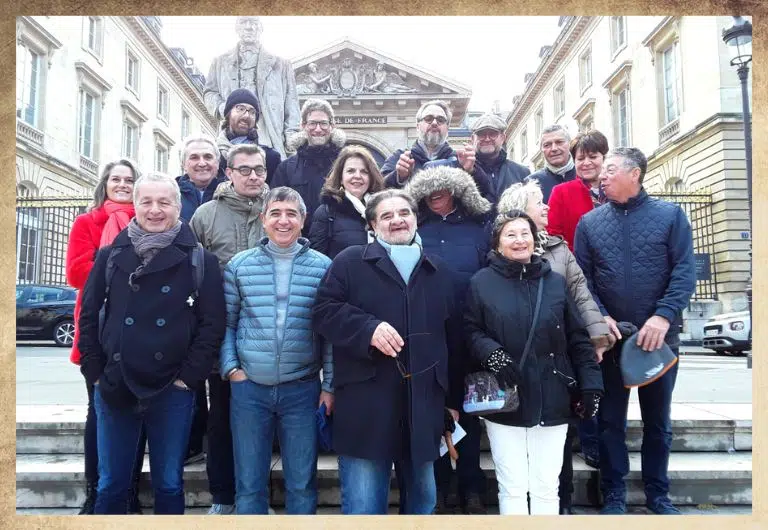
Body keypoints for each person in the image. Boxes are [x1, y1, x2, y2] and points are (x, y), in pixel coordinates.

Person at [77, 172, 226, 515]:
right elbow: (88, 315)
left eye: (164, 202)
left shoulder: (201, 260)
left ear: (178, 206)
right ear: (135, 205)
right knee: (111, 484)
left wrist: (188, 378)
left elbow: (212, 324)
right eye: (146, 201)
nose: (155, 210)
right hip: (116, 384)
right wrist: (96, 371)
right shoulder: (110, 255)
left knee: (170, 483)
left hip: (171, 388)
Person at [312, 189, 457, 515]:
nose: (397, 220)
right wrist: (368, 329)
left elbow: (453, 338)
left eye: (403, 213)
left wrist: (452, 400)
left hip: (423, 404)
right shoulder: (349, 262)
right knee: (364, 507)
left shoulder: (439, 270)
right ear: (373, 226)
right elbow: (323, 312)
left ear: (415, 219)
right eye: (387, 216)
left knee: (423, 503)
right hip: (366, 402)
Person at [574, 147, 696, 515]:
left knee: (657, 421)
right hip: (612, 342)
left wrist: (663, 316)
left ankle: (659, 494)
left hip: (659, 340)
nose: (602, 176)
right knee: (610, 422)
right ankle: (614, 494)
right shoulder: (589, 224)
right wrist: (601, 318)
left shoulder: (670, 216)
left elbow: (684, 273)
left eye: (610, 169)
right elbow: (582, 281)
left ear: (635, 174)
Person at [464, 210, 603, 515]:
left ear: (534, 239)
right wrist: (492, 353)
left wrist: (592, 385)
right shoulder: (481, 282)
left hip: (553, 395)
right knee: (512, 485)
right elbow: (470, 330)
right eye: (511, 234)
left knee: (546, 486)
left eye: (525, 233)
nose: (519, 240)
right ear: (498, 244)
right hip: (506, 397)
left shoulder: (554, 282)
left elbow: (578, 338)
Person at [497, 179, 615, 513]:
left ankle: (559, 504)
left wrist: (596, 336)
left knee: (556, 444)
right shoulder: (498, 253)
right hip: (517, 365)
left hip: (557, 360)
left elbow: (580, 294)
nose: (547, 207)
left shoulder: (559, 249)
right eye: (539, 202)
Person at [220, 187, 333, 515]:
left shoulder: (323, 267)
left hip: (302, 388)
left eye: (291, 214)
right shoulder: (239, 266)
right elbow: (227, 323)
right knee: (249, 483)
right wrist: (232, 370)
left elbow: (329, 335)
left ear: (303, 220)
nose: (283, 221)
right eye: (276, 213)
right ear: (263, 219)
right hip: (249, 389)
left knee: (301, 481)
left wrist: (329, 386)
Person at [404, 166, 491, 514]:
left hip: (468, 331)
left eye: (443, 188)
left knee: (468, 411)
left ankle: (471, 486)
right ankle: (438, 487)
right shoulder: (416, 229)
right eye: (429, 190)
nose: (436, 194)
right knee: (431, 410)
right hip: (427, 332)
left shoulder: (476, 228)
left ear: (456, 190)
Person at [188, 144, 270, 515]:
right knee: (221, 418)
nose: (253, 176)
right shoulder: (206, 215)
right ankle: (222, 496)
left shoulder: (278, 210)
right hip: (222, 333)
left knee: (262, 422)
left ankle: (256, 497)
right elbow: (191, 276)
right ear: (229, 173)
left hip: (270, 335)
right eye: (245, 169)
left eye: (259, 169)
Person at [65, 160, 146, 515]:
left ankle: (128, 490)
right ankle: (95, 490)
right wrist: (113, 260)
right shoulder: (88, 221)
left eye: (130, 180)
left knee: (139, 412)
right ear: (105, 183)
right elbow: (75, 272)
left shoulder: (146, 220)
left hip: (140, 328)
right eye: (117, 179)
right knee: (97, 413)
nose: (123, 184)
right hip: (99, 327)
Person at [203, 16, 300, 158]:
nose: (249, 27)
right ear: (237, 27)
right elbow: (209, 92)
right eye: (244, 22)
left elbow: (292, 107)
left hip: (269, 139)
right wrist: (222, 108)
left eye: (254, 22)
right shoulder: (220, 62)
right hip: (231, 140)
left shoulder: (281, 65)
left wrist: (291, 143)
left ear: (261, 28)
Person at [380, 100, 490, 198]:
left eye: (440, 120)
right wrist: (399, 176)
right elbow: (378, 189)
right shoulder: (400, 157)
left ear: (447, 128)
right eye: (428, 119)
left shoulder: (460, 159)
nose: (434, 123)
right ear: (418, 126)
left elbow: (485, 193)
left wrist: (471, 171)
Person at [271, 98, 346, 235]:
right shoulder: (286, 168)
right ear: (303, 125)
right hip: (301, 242)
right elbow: (276, 206)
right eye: (312, 123)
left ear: (332, 126)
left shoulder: (346, 164)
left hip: (339, 242)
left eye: (323, 123)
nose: (318, 129)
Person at [309, 145, 385, 259]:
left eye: (364, 172)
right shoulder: (326, 212)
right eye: (351, 171)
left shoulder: (383, 210)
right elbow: (317, 260)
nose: (357, 176)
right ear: (340, 178)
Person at [548, 130, 610, 250]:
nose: (586, 163)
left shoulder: (617, 188)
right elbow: (553, 235)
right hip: (577, 264)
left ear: (604, 158)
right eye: (580, 158)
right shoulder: (561, 192)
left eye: (593, 157)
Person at [214, 88, 281, 182]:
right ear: (228, 114)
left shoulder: (270, 158)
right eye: (240, 109)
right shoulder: (212, 156)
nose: (246, 116)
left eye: (252, 112)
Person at [471, 113, 530, 206]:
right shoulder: (464, 171)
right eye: (481, 134)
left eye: (492, 134)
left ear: (503, 138)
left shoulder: (522, 173)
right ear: (473, 139)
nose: (487, 139)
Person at [177, 135, 228, 223]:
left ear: (218, 163)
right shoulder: (172, 195)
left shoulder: (232, 193)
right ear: (183, 164)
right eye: (194, 157)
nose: (202, 163)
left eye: (208, 157)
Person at [527, 124, 577, 203]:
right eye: (547, 145)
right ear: (541, 150)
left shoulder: (585, 173)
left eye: (559, 142)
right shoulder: (532, 183)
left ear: (569, 144)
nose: (554, 148)